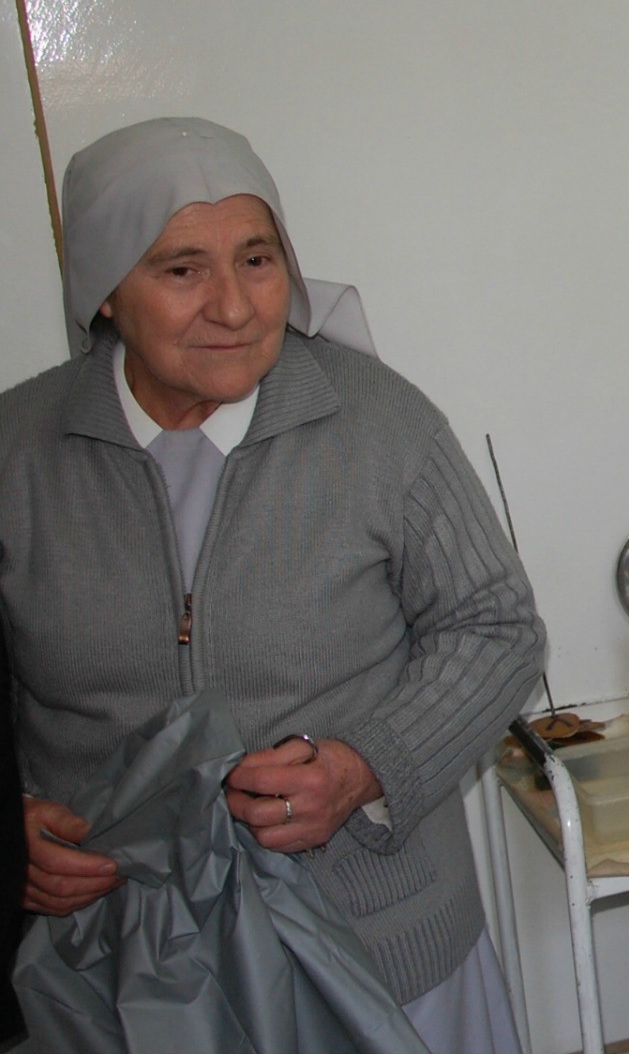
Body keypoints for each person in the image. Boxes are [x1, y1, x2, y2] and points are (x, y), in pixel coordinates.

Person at [0, 118, 546, 1052]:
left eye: (256, 260)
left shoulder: (379, 424)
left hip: (377, 942)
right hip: (124, 968)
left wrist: (366, 765)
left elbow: (494, 627)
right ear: (104, 295)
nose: (234, 306)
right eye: (181, 270)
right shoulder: (18, 451)